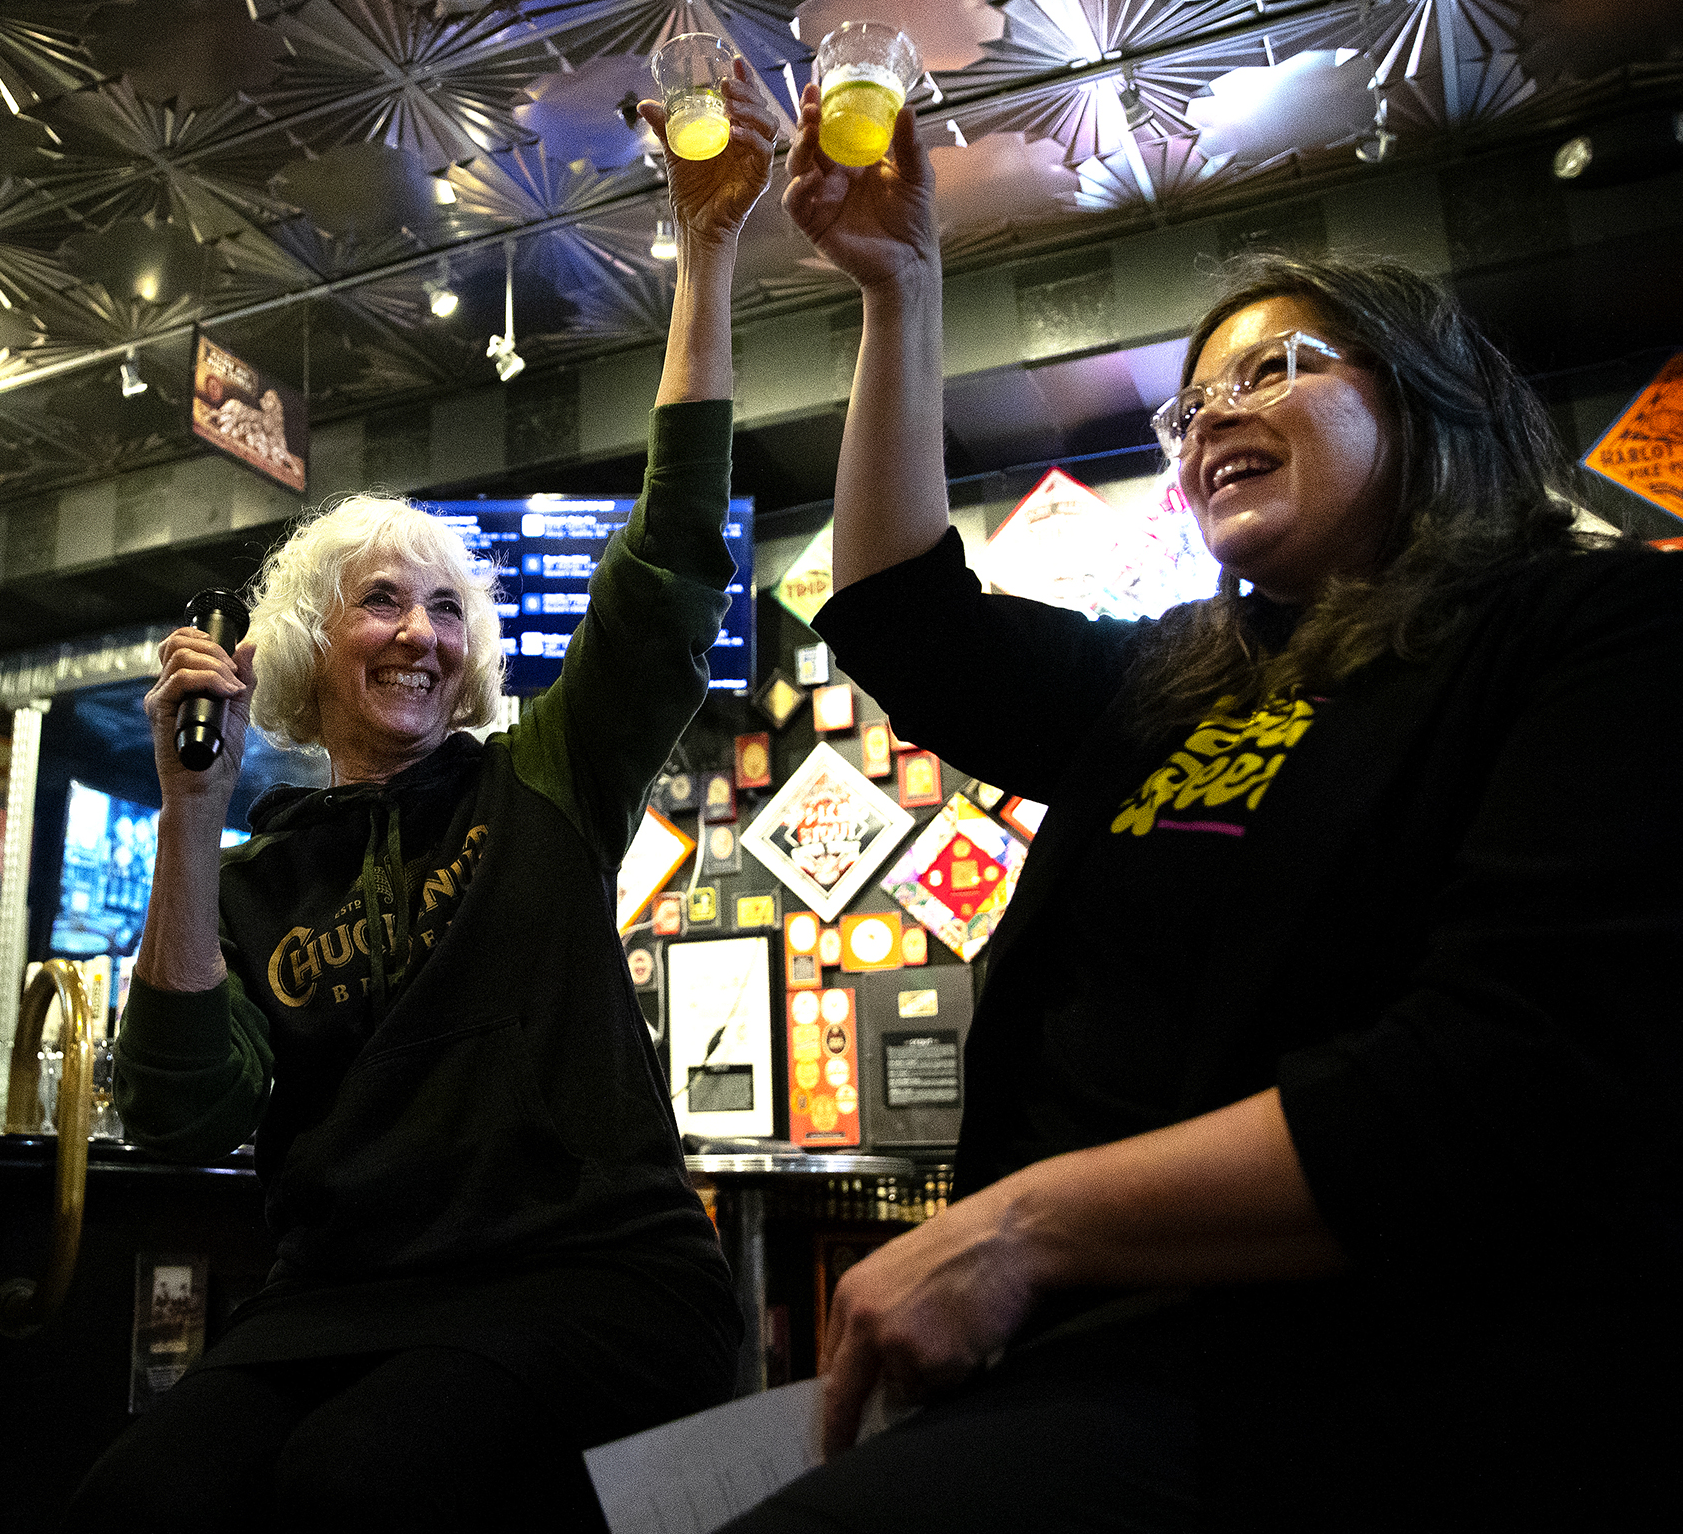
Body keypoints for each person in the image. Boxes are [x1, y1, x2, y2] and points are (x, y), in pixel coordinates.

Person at [708, 92, 1683, 1530]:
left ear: (1423, 391)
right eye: (1193, 397)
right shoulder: (1172, 672)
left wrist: (1031, 1223)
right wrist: (902, 288)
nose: (1213, 409)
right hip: (1077, 1348)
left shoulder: (1590, 625)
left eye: (1273, 367)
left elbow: (1517, 1069)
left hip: (1363, 1359)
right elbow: (902, 621)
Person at [60, 60, 787, 1534]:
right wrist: (190, 823)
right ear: (305, 650)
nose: (422, 631)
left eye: (447, 608)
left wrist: (704, 256)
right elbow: (186, 1105)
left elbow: (667, 562)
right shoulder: (258, 872)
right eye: (380, 601)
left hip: (595, 1277)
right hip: (340, 1298)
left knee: (363, 1478)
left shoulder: (543, 775)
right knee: (131, 1496)